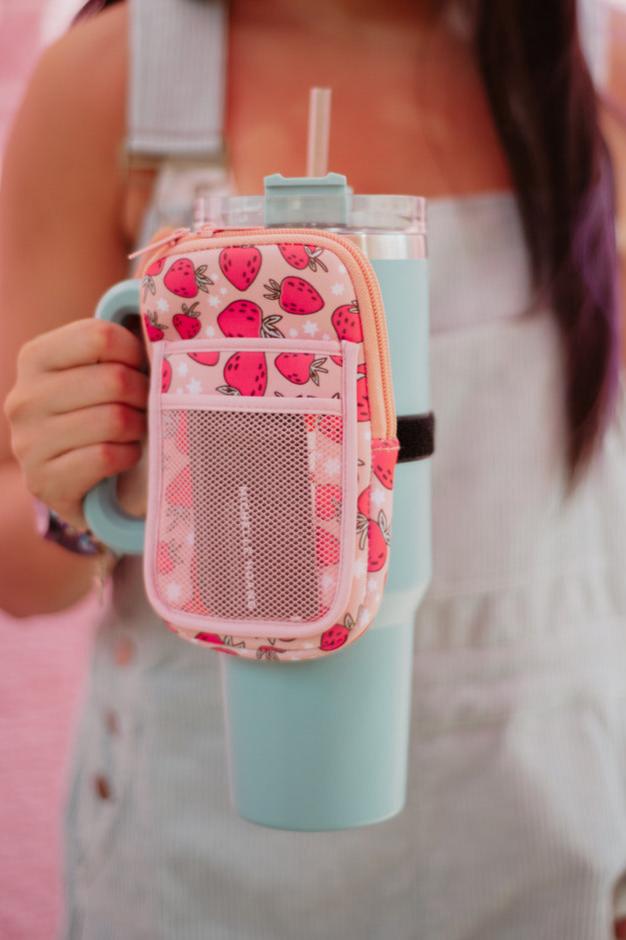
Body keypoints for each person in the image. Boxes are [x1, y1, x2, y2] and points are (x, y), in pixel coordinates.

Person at [2, 0, 626, 936]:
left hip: (545, 848)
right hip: (205, 864)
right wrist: (86, 489)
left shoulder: (587, 64)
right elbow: (23, 566)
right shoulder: (115, 83)